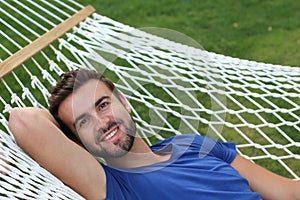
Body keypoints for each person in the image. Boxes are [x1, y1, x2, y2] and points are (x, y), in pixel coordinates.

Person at [8, 69, 300, 200]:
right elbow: (23, 121)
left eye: (103, 105)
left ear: (124, 101)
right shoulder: (112, 187)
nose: (102, 123)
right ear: (76, 142)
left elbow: (287, 192)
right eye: (83, 122)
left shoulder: (190, 144)